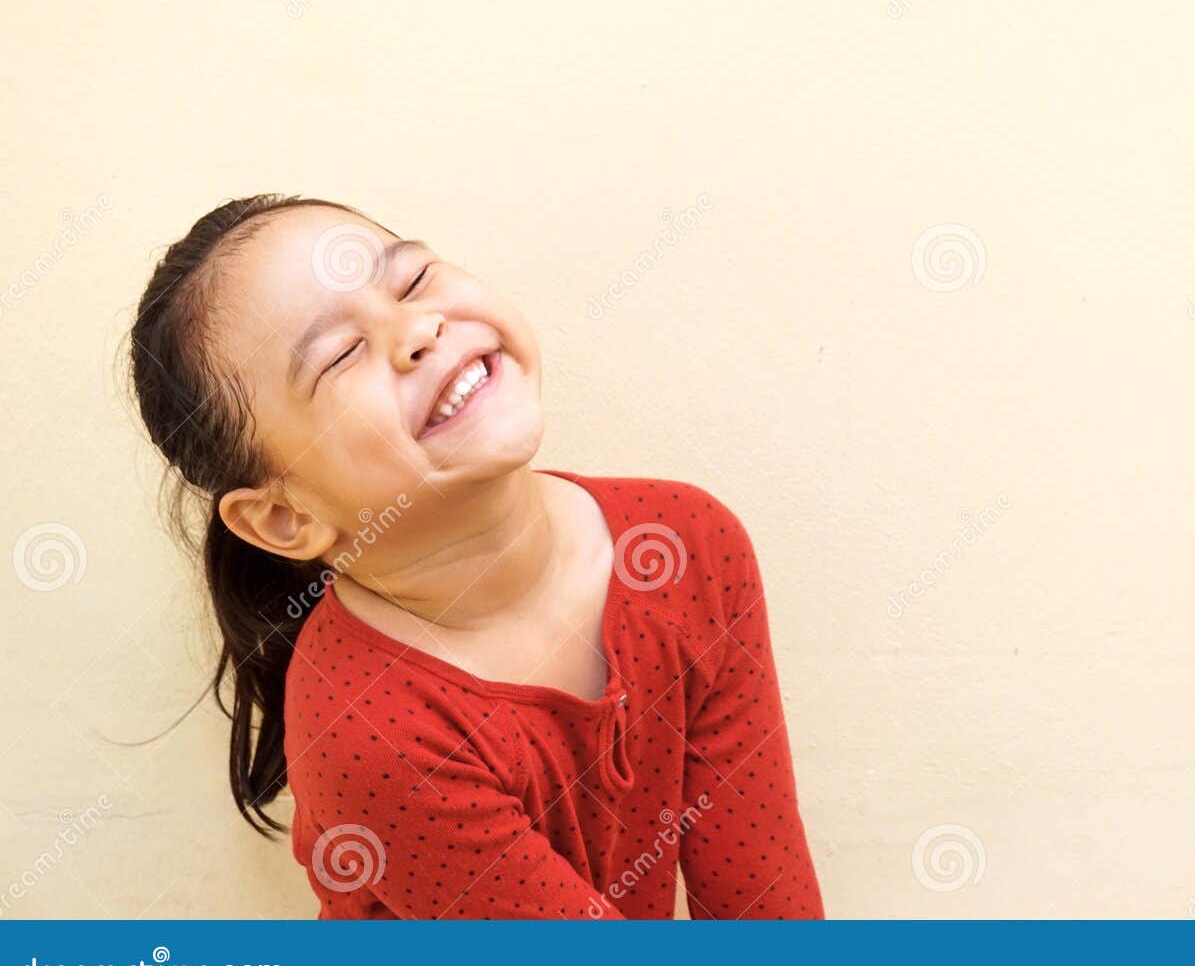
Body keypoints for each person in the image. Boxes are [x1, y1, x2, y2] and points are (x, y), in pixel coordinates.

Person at [125, 194, 824, 919]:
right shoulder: (370, 731)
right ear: (283, 515)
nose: (418, 329)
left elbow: (767, 908)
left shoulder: (687, 542)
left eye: (412, 280)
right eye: (341, 354)